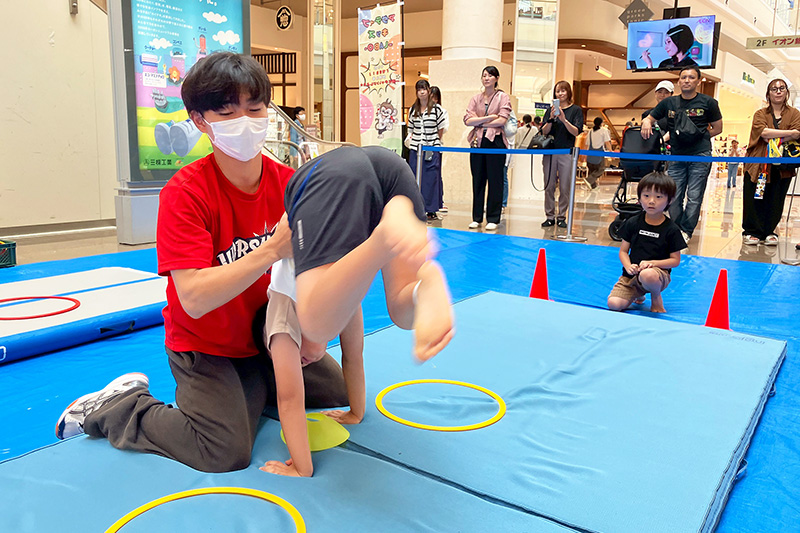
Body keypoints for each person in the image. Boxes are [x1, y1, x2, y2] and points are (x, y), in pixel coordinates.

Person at [54, 52, 348, 473]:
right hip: (205, 343)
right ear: (199, 121)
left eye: (254, 108)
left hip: (267, 332)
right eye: (227, 112)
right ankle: (117, 406)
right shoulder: (186, 193)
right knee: (223, 451)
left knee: (336, 394)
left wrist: (316, 331)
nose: (245, 121)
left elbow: (320, 270)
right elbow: (192, 298)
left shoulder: (288, 183)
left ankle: (250, 387)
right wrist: (268, 250)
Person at [259, 146, 455, 477]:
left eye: (301, 360)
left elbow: (290, 399)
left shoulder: (281, 316)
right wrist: (355, 412)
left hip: (324, 177)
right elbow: (354, 354)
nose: (305, 362)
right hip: (390, 175)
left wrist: (301, 468)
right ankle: (425, 284)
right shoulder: (338, 294)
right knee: (402, 310)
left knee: (316, 323)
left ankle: (383, 238)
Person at [641, 66, 723, 243]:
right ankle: (676, 228)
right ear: (678, 81)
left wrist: (698, 136)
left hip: (700, 155)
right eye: (683, 77)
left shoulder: (708, 103)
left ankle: (686, 230)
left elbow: (718, 128)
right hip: (676, 155)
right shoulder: (669, 103)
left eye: (691, 77)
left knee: (694, 196)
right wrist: (646, 122)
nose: (687, 80)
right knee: (674, 195)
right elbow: (650, 117)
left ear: (699, 81)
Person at [607, 171, 687, 313]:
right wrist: (628, 265)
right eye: (646, 195)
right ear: (639, 197)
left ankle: (656, 297)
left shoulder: (671, 229)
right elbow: (623, 251)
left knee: (647, 275)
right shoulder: (632, 222)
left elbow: (675, 260)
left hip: (657, 275)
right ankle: (639, 293)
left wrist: (654, 264)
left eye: (658, 197)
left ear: (670, 199)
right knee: (614, 304)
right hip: (632, 277)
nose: (651, 201)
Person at [742, 78, 800, 246]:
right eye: (774, 89)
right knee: (755, 196)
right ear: (768, 94)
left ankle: (769, 231)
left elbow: (798, 133)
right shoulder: (760, 114)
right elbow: (763, 133)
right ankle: (752, 231)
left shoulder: (794, 113)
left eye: (782, 88)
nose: (778, 91)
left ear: (786, 93)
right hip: (760, 166)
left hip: (783, 166)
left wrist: (775, 133)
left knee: (776, 198)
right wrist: (788, 133)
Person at [464, 65, 512, 231]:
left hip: (495, 141)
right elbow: (468, 120)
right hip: (477, 141)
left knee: (495, 180)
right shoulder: (476, 98)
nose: (486, 78)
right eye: (484, 75)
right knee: (477, 180)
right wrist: (490, 117)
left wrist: (480, 120)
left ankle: (493, 217)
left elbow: (502, 120)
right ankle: (476, 217)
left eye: (490, 76)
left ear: (496, 78)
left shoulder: (503, 97)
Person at [540, 80, 584, 228]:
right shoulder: (550, 110)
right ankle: (550, 216)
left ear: (569, 92)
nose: (560, 93)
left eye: (563, 90)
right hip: (550, 152)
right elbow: (544, 131)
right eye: (558, 91)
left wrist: (564, 120)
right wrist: (552, 119)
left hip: (567, 152)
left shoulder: (576, 110)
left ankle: (562, 216)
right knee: (549, 185)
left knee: (565, 186)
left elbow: (576, 132)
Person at [407, 79, 446, 220]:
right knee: (415, 178)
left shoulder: (437, 109)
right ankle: (416, 208)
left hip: (431, 147)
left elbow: (441, 128)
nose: (422, 92)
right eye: (419, 89)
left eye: (424, 89)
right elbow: (410, 128)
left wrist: (434, 141)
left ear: (429, 90)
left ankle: (431, 210)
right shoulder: (413, 109)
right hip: (416, 148)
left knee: (431, 179)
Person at [429, 85, 450, 213]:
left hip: (435, 147)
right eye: (431, 97)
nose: (433, 100)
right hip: (422, 148)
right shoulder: (420, 109)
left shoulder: (441, 111)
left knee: (436, 175)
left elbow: (442, 129)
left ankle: (438, 202)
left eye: (435, 98)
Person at [585, 117, 612, 189]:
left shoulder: (590, 131)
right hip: (599, 154)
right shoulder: (604, 130)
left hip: (590, 154)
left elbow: (587, 144)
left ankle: (593, 186)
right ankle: (589, 180)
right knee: (601, 169)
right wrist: (611, 152)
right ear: (601, 123)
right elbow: (607, 142)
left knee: (592, 170)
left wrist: (585, 156)